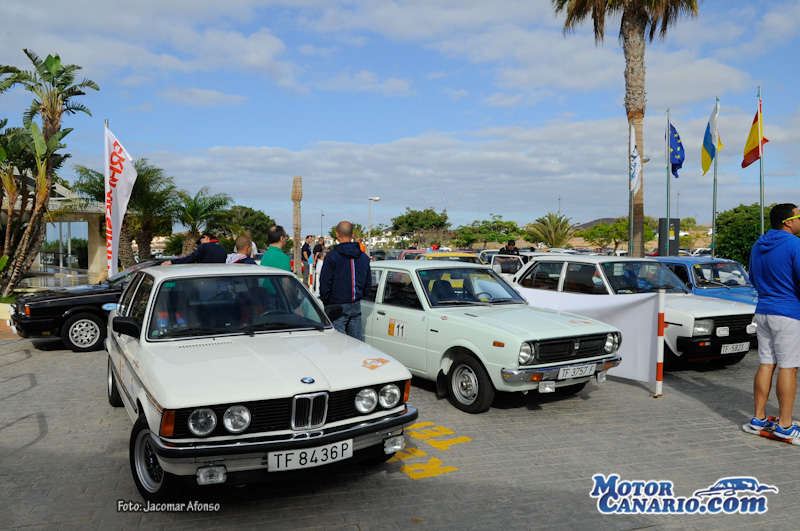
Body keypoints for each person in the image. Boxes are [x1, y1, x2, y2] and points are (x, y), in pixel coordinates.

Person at [749, 203, 800, 440]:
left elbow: (752, 278)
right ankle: (786, 425)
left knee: (767, 363)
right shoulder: (794, 245)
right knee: (788, 367)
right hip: (788, 313)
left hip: (763, 310)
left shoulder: (758, 245)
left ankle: (758, 417)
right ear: (788, 221)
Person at [319, 221, 370, 339]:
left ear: (337, 234)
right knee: (356, 344)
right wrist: (360, 295)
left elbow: (325, 282)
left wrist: (327, 301)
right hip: (355, 303)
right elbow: (368, 283)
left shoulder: (332, 256)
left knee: (337, 346)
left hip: (337, 304)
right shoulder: (364, 258)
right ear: (352, 234)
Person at [162, 232, 226, 264]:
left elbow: (191, 258)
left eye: (201, 241)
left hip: (206, 277)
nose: (200, 244)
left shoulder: (204, 246)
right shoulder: (223, 248)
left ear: (206, 238)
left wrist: (172, 262)